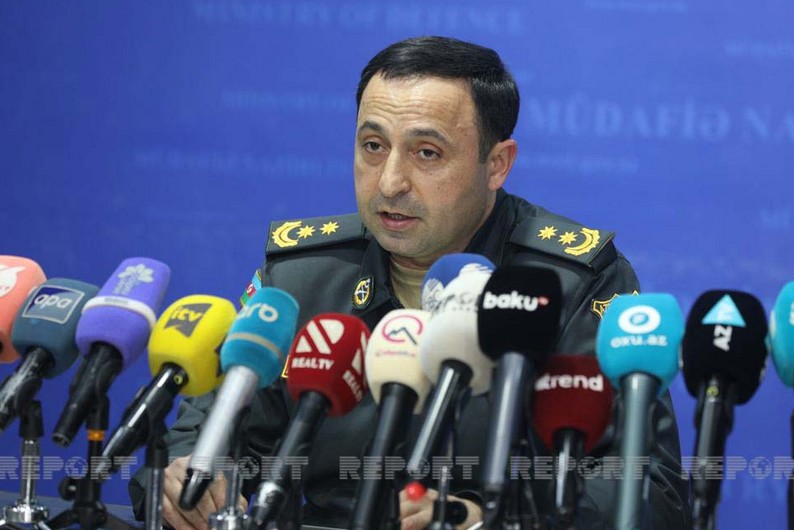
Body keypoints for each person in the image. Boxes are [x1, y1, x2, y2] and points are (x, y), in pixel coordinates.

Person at [129, 36, 691, 529]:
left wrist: (485, 520)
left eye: (427, 153)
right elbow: (207, 431)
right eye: (373, 147)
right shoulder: (302, 276)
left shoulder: (569, 284)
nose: (390, 183)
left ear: (497, 164)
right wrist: (190, 477)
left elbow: (649, 491)